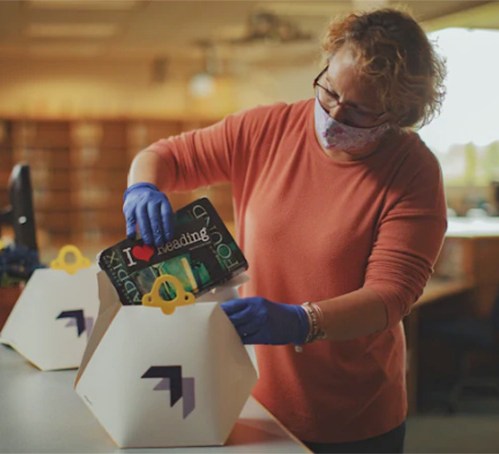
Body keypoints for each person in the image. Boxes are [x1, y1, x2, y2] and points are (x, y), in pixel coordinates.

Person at [122, 8, 447, 453]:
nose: (334, 115)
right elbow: (166, 156)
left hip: (354, 417)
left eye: (359, 111)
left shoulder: (412, 172)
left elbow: (390, 296)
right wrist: (142, 185)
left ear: (398, 113)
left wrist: (301, 321)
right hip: (254, 397)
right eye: (329, 92)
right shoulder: (267, 130)